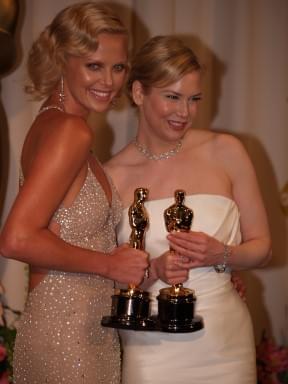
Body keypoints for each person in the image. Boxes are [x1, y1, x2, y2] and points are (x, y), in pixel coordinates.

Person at [105, 35, 271, 384]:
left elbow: (262, 248)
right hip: (150, 346)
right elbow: (105, 279)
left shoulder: (227, 151)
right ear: (138, 93)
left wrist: (221, 253)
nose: (185, 112)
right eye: (172, 97)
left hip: (224, 342)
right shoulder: (110, 177)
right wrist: (154, 270)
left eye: (194, 100)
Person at [0, 3, 149, 383]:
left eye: (117, 67)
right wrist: (109, 265)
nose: (110, 81)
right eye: (94, 66)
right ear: (61, 60)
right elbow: (16, 238)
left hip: (70, 329)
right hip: (71, 339)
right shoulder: (70, 131)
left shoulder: (49, 123)